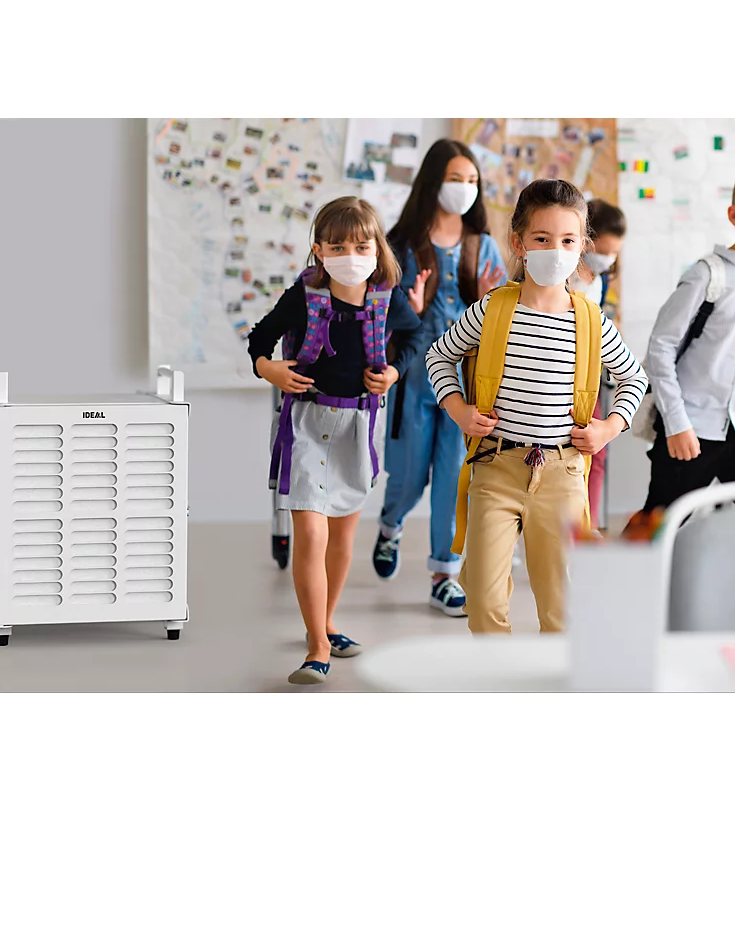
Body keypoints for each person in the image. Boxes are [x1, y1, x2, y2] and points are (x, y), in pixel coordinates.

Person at [425, 180, 648, 634]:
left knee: (560, 607)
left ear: (582, 246)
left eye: (567, 240)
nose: (555, 251)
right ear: (519, 243)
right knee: (483, 599)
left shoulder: (590, 320)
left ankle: (554, 675)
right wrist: (458, 409)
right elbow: (439, 356)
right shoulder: (492, 310)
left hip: (563, 475)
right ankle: (498, 674)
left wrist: (608, 428)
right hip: (496, 468)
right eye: (542, 239)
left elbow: (634, 378)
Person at [248, 196, 423, 685]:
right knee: (311, 531)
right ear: (319, 251)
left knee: (343, 537)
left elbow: (415, 338)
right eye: (338, 246)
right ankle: (317, 646)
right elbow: (260, 338)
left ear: (377, 249)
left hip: (357, 427)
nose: (350, 255)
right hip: (306, 423)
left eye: (361, 246)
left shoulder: (387, 298)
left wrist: (393, 372)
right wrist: (268, 369)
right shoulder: (304, 296)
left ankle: (326, 621)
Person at [372, 138, 507, 617]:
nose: (464, 188)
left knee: (454, 481)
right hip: (413, 380)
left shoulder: (483, 245)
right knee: (409, 477)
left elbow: (501, 318)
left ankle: (444, 576)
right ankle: (390, 525)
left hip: (466, 387)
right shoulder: (401, 244)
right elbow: (376, 313)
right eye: (455, 179)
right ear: (433, 181)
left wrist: (490, 300)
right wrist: (404, 310)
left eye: (472, 180)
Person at [641, 162, 735, 512]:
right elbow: (660, 348)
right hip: (692, 425)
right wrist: (676, 423)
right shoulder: (706, 275)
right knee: (659, 524)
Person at [570, 198, 627, 531]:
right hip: (566, 379)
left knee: (597, 453)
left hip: (590, 377)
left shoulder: (598, 280)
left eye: (614, 253)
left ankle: (586, 526)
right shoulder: (565, 278)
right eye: (604, 250)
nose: (608, 259)